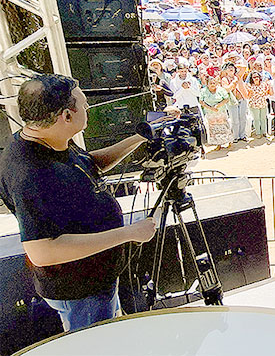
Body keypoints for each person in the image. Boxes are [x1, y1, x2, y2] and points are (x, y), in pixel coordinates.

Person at [0, 74, 157, 332]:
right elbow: (42, 252)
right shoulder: (28, 172)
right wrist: (128, 233)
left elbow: (88, 165)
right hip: (81, 293)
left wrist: (137, 139)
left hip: (96, 283)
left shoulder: (48, 135)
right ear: (66, 116)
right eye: (83, 104)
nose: (88, 108)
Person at [199, 76, 234, 149]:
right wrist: (211, 108)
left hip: (220, 112)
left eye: (214, 83)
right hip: (210, 113)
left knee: (224, 127)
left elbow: (226, 99)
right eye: (211, 83)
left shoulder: (221, 90)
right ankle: (218, 144)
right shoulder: (203, 91)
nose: (212, 84)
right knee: (214, 129)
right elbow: (201, 101)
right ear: (207, 84)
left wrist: (218, 106)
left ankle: (229, 142)